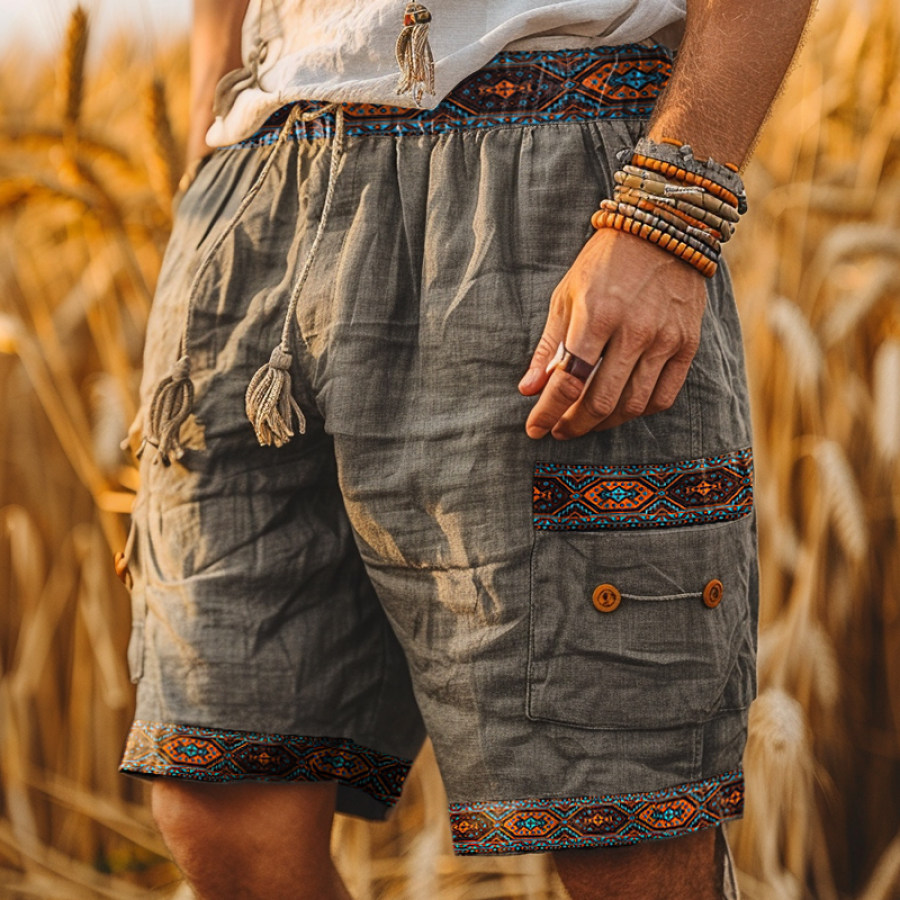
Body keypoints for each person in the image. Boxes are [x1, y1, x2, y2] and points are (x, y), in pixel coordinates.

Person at [115, 1, 813, 897]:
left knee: (623, 819)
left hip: (547, 190)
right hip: (257, 191)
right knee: (219, 794)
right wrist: (205, 162)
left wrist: (671, 212)